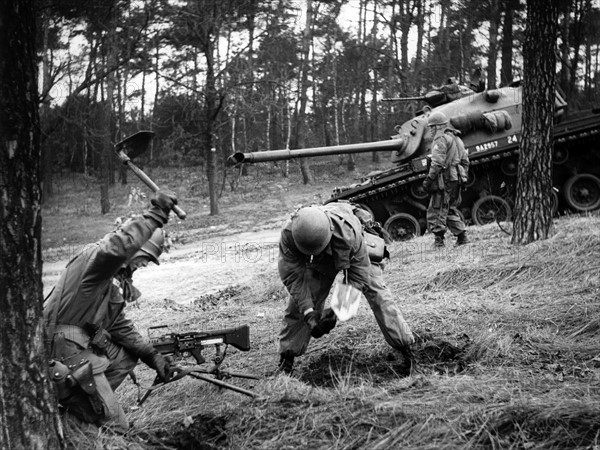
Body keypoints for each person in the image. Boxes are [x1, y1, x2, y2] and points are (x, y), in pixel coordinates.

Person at [43, 190, 178, 432]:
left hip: (72, 349)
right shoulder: (95, 261)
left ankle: (79, 418)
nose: (144, 265)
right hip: (62, 351)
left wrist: (152, 356)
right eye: (145, 258)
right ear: (134, 250)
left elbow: (120, 327)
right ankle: (96, 418)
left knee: (125, 356)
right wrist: (155, 215)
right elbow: (116, 248)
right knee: (116, 426)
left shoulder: (109, 286)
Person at [277, 202, 416, 375]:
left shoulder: (350, 234)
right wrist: (309, 313)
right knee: (301, 302)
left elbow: (359, 276)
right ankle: (287, 358)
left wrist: (338, 310)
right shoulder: (290, 234)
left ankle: (406, 348)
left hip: (354, 249)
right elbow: (293, 277)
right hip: (321, 257)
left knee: (378, 293)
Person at [422, 111, 470, 248]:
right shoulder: (456, 138)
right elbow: (466, 161)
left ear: (437, 127)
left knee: (437, 208)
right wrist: (463, 177)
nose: (430, 130)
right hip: (456, 178)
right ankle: (462, 236)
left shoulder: (440, 139)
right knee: (449, 208)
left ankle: (439, 241)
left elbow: (437, 163)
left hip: (445, 179)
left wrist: (429, 180)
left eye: (431, 127)